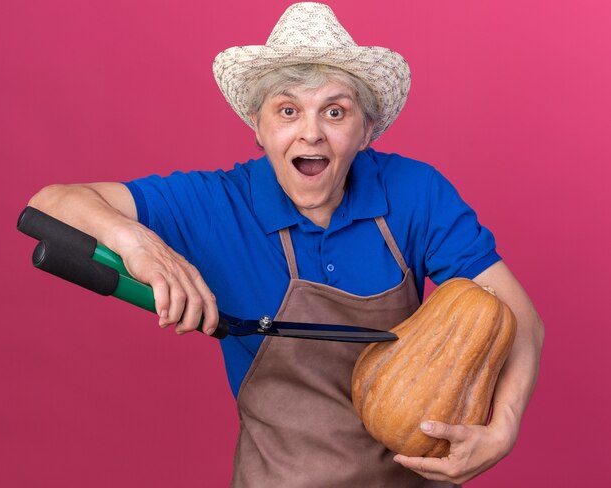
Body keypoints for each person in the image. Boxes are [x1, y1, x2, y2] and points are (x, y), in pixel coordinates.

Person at [28, 2, 544, 487]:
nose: (311, 134)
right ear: (257, 126)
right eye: (287, 110)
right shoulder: (217, 204)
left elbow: (517, 315)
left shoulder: (415, 192)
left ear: (367, 131)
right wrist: (138, 244)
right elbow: (50, 204)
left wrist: (504, 427)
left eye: (335, 112)